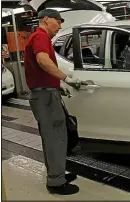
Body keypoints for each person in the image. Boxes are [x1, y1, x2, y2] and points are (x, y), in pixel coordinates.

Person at [24, 9, 81, 195]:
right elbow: (43, 61)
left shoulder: (38, 37)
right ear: (46, 20)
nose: (60, 26)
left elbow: (42, 68)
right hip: (45, 97)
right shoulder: (40, 37)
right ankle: (56, 182)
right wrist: (66, 78)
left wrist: (56, 84)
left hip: (46, 92)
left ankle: (57, 174)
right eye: (58, 21)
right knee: (55, 138)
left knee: (53, 137)